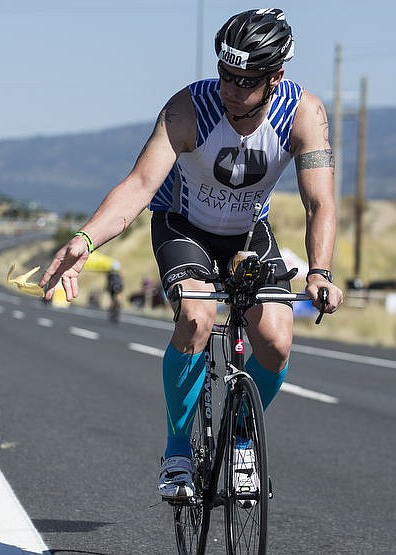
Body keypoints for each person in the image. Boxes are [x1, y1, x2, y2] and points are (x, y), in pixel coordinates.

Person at [38, 8, 343, 501]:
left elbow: (319, 201)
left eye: (246, 81)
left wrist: (321, 271)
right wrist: (85, 240)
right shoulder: (187, 109)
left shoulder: (305, 113)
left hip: (247, 231)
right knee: (199, 318)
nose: (230, 90)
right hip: (183, 226)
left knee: (277, 341)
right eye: (225, 75)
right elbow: (139, 186)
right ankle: (178, 452)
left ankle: (241, 434)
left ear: (276, 77)